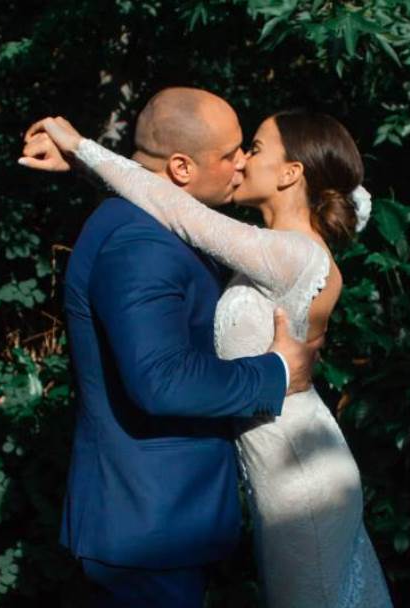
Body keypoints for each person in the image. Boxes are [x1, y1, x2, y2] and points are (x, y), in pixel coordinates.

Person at [19, 88, 321, 608]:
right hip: (147, 524)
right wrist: (275, 373)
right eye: (229, 154)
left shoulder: (152, 221)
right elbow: (162, 379)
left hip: (164, 518)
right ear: (181, 167)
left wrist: (84, 160)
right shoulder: (140, 244)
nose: (241, 163)